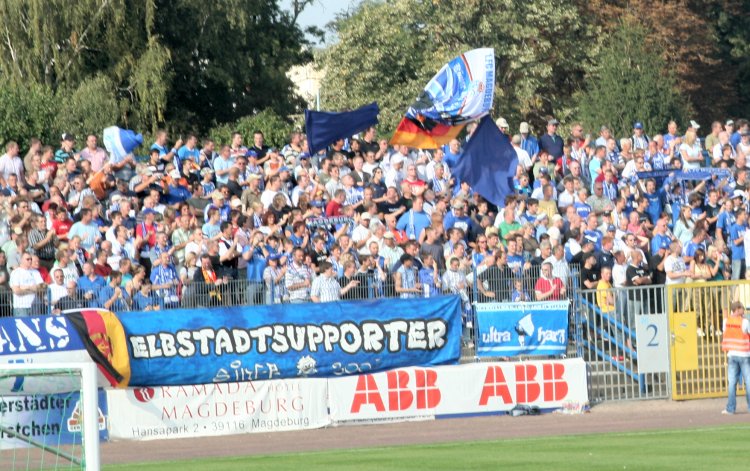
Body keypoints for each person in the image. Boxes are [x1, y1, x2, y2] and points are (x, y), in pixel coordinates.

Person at [721, 301, 750, 415]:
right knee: (748, 382)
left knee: (732, 383)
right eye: (742, 309)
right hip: (744, 355)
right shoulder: (745, 322)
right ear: (737, 310)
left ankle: (730, 408)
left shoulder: (726, 321)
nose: (744, 311)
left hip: (732, 355)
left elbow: (725, 332)